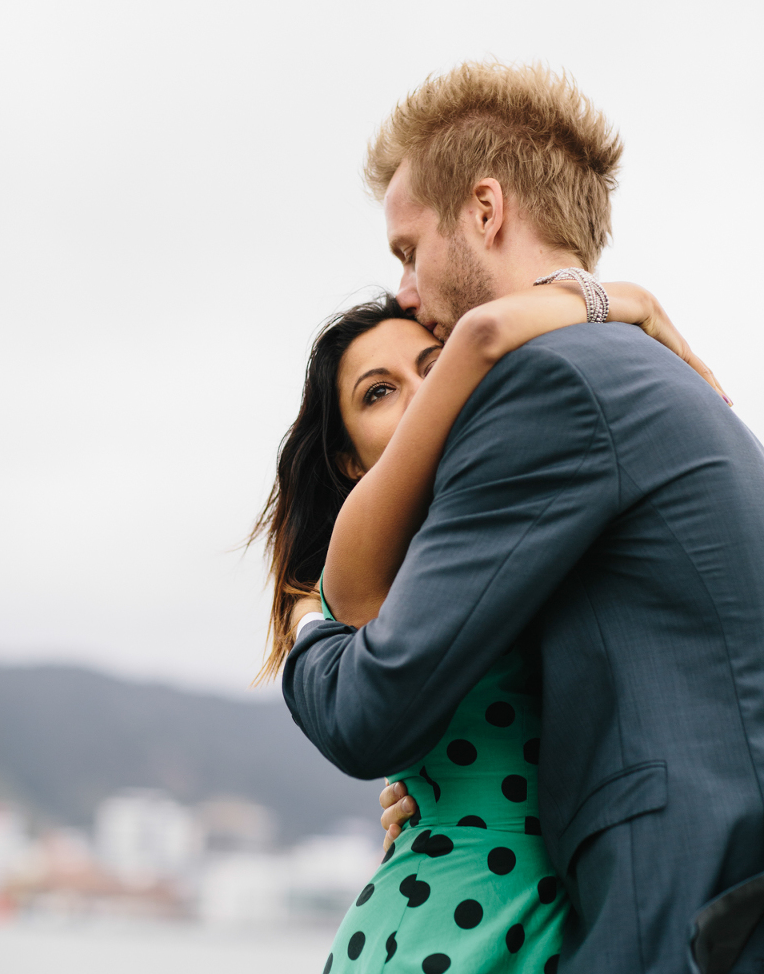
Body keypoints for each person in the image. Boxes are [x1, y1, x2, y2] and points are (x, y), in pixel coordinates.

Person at [282, 62, 764, 974]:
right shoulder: (630, 369)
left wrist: (309, 629)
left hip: (688, 912)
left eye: (408, 251)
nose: (406, 293)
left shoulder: (554, 384)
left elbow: (370, 709)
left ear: (487, 209)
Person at [254, 278, 722, 972]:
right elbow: (480, 341)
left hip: (558, 907)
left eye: (429, 368)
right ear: (350, 461)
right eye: (378, 393)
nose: (418, 396)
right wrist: (627, 303)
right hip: (443, 928)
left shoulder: (519, 529)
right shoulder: (360, 558)